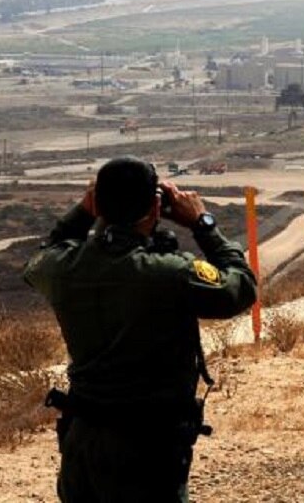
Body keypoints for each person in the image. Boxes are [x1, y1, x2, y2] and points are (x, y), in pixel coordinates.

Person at [24, 156, 257, 502]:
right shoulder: (170, 273)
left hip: (82, 441)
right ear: (155, 208)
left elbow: (44, 254)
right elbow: (240, 288)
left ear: (97, 203)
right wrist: (203, 223)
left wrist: (84, 212)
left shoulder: (63, 269)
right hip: (148, 446)